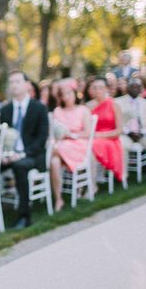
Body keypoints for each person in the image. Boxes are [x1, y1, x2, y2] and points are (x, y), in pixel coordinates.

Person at [0, 70, 49, 230]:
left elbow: (41, 140)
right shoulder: (5, 110)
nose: (14, 85)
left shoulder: (39, 108)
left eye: (18, 81)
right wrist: (4, 155)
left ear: (27, 85)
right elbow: (0, 137)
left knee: (20, 166)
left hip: (32, 155)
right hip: (9, 155)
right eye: (11, 82)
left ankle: (24, 216)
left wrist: (21, 154)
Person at [50, 84, 93, 212]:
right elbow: (54, 132)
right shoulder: (57, 111)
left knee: (52, 152)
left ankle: (44, 157)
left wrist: (72, 135)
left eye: (69, 93)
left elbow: (87, 133)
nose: (67, 96)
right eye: (63, 94)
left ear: (75, 93)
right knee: (54, 161)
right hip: (61, 144)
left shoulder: (83, 110)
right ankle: (58, 198)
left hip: (78, 144)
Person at [86, 77, 124, 183]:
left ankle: (92, 182)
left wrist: (100, 135)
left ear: (107, 89)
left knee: (92, 146)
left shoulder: (114, 105)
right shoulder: (88, 106)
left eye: (100, 88)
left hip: (111, 139)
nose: (98, 90)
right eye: (95, 88)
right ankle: (85, 179)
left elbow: (119, 130)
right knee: (85, 145)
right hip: (92, 137)